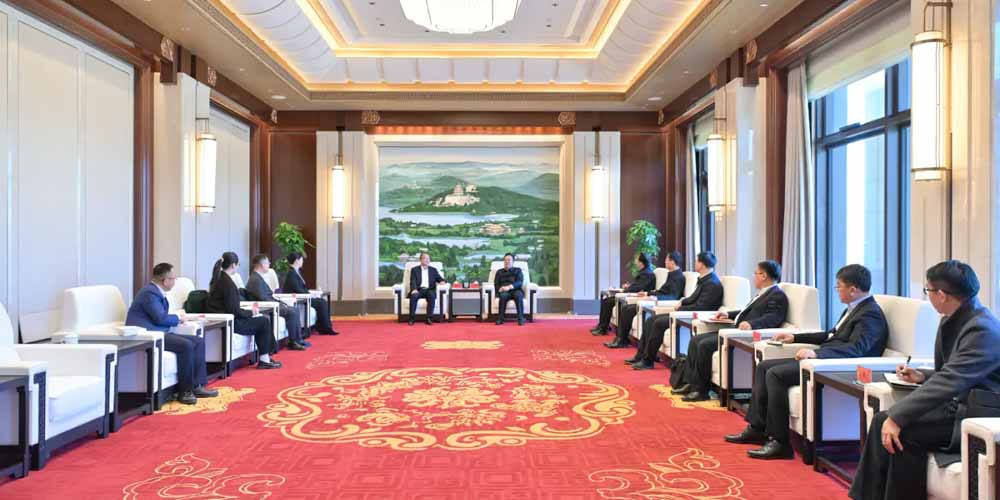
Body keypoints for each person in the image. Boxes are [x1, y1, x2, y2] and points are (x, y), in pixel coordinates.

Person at [850, 261, 1000, 500]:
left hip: (976, 415)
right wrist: (922, 375)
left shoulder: (982, 329)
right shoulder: (956, 316)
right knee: (881, 421)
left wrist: (898, 416)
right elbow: (953, 371)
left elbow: (951, 379)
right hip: (957, 404)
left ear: (941, 295)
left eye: (927, 290)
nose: (927, 296)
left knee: (903, 432)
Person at [725, 264, 888, 459]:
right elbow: (831, 335)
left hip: (833, 367)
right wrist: (795, 338)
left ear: (853, 289)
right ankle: (757, 428)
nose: (836, 290)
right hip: (823, 360)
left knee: (775, 374)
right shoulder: (854, 308)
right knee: (764, 366)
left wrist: (817, 354)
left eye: (839, 286)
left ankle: (780, 442)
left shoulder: (870, 314)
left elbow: (856, 349)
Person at [674, 260, 789, 402]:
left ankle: (700, 391)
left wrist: (751, 324)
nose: (754, 276)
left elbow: (773, 318)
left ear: (764, 276)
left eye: (756, 273)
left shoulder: (777, 295)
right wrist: (728, 314)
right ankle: (690, 383)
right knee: (696, 340)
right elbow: (746, 311)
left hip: (743, 335)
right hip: (734, 330)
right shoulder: (763, 293)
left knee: (704, 345)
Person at [125, 263, 218, 405]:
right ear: (165, 281)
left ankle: (197, 386)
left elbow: (160, 317)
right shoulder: (149, 293)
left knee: (197, 341)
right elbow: (160, 318)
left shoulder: (156, 292)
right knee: (186, 345)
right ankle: (184, 391)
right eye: (174, 278)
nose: (175, 281)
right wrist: (178, 318)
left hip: (158, 332)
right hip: (148, 335)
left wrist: (177, 320)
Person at [627, 251, 724, 370]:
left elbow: (701, 307)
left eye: (696, 261)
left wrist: (681, 308)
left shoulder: (712, 283)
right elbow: (692, 299)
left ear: (702, 264)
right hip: (685, 312)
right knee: (651, 320)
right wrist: (682, 301)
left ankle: (648, 361)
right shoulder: (705, 279)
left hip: (694, 316)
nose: (695, 263)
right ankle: (641, 356)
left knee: (658, 323)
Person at [206, 252, 281, 369]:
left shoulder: (218, 279)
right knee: (263, 322)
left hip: (225, 320)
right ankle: (264, 359)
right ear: (233, 265)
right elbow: (234, 311)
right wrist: (251, 312)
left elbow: (230, 307)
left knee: (261, 320)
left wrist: (248, 312)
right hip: (232, 322)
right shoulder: (228, 284)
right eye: (238, 265)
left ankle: (266, 356)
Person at [605, 251, 686, 349]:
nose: (665, 262)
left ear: (672, 262)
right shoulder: (672, 274)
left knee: (628, 310)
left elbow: (673, 297)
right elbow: (662, 291)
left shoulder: (679, 277)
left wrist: (655, 298)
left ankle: (622, 340)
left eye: (666, 259)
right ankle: (621, 339)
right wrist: (648, 293)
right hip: (654, 300)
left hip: (660, 304)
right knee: (626, 308)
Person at [246, 254, 308, 351]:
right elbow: (263, 298)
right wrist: (278, 304)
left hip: (271, 303)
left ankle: (298, 340)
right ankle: (293, 341)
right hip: (267, 307)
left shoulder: (258, 277)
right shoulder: (255, 279)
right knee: (291, 312)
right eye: (267, 263)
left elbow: (268, 295)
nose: (269, 264)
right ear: (261, 264)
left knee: (294, 310)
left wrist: (280, 302)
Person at [590, 253, 656, 336]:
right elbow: (637, 286)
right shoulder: (644, 272)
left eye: (637, 260)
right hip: (631, 294)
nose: (635, 262)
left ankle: (603, 328)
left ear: (641, 262)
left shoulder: (647, 274)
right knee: (606, 301)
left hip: (635, 297)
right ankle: (602, 326)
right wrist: (628, 287)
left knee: (608, 302)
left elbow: (637, 288)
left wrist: (625, 291)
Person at [282, 252, 338, 335]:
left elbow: (302, 288)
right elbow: (297, 289)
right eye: (301, 259)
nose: (302, 261)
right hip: (299, 298)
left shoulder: (297, 272)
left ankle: (325, 327)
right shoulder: (291, 273)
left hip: (304, 296)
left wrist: (311, 293)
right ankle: (325, 328)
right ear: (297, 261)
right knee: (321, 303)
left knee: (321, 301)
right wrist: (310, 294)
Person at [408, 252, 446, 326]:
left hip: (429, 290)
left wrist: (442, 281)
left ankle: (429, 318)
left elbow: (440, 279)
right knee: (414, 296)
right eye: (425, 258)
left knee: (431, 295)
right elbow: (413, 281)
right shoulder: (414, 270)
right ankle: (411, 318)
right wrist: (414, 289)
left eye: (428, 258)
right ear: (420, 260)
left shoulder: (433, 270)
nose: (427, 260)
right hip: (419, 290)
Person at [494, 253, 526, 326]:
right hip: (504, 291)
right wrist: (499, 290)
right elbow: (496, 283)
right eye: (505, 260)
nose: (507, 262)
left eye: (509, 260)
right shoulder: (499, 272)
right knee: (503, 296)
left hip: (515, 289)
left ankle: (521, 319)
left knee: (518, 295)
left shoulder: (518, 270)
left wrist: (509, 287)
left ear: (513, 261)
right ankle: (500, 319)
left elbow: (520, 282)